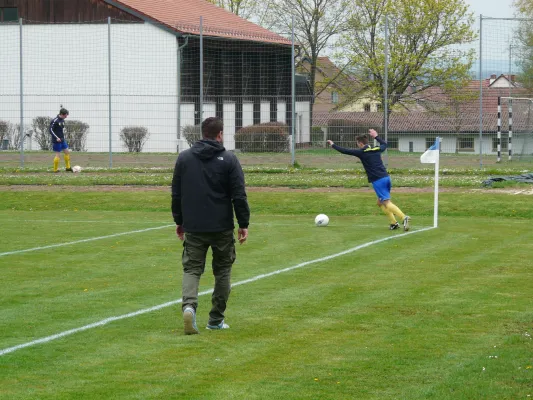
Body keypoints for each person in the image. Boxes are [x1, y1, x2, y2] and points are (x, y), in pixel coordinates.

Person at [171, 116, 250, 335]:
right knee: (223, 271)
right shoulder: (229, 159)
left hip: (194, 225)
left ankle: (189, 306)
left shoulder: (185, 158)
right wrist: (243, 223)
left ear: (201, 134)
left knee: (192, 269)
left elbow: (176, 193)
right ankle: (215, 319)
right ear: (220, 134)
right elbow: (239, 195)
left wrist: (179, 220)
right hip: (221, 226)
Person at [327, 129, 410, 231]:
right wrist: (376, 136)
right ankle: (394, 223)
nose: (357, 146)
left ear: (361, 143)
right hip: (386, 178)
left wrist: (333, 145)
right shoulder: (376, 149)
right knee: (380, 203)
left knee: (386, 202)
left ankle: (403, 217)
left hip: (378, 180)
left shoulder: (362, 152)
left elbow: (345, 151)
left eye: (357, 144)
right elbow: (384, 144)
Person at [49, 108, 73, 173]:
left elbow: (60, 130)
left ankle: (68, 168)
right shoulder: (55, 120)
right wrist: (57, 137)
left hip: (62, 140)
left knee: (67, 152)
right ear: (62, 114)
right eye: (65, 115)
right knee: (58, 155)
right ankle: (55, 169)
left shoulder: (62, 120)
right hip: (57, 140)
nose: (66, 116)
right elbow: (50, 130)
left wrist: (62, 137)